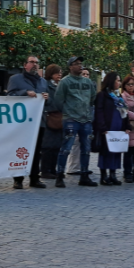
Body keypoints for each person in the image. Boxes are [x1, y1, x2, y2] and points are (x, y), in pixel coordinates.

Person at [6, 55, 49, 189]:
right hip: (22, 123)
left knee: (37, 151)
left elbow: (49, 103)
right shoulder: (15, 79)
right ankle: (18, 179)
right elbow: (10, 97)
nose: (35, 65)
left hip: (38, 121)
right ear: (25, 65)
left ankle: (35, 178)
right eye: (32, 62)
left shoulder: (43, 82)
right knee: (20, 149)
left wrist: (47, 98)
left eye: (37, 63)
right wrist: (25, 93)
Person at [55, 56, 97, 188]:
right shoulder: (65, 82)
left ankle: (84, 175)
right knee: (66, 148)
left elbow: (92, 98)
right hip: (71, 119)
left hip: (86, 119)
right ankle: (60, 175)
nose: (80, 66)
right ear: (70, 66)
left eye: (80, 63)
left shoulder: (88, 82)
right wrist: (68, 112)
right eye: (76, 64)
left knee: (86, 149)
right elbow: (58, 100)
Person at [92, 72, 129, 186]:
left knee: (116, 151)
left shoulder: (119, 96)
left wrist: (127, 126)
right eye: (117, 80)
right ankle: (104, 175)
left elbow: (125, 112)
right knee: (105, 151)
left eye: (119, 80)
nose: (119, 82)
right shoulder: (102, 95)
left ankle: (113, 174)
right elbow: (99, 111)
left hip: (118, 127)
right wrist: (102, 127)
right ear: (111, 81)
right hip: (107, 127)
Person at [65, 67, 92, 176]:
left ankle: (83, 167)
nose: (85, 76)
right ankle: (72, 167)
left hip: (86, 119)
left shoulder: (89, 87)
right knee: (74, 144)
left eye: (87, 74)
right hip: (75, 118)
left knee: (85, 144)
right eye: (84, 74)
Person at [40, 64, 63, 179]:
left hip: (59, 117)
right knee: (48, 146)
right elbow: (47, 101)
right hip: (49, 117)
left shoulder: (61, 85)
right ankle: (45, 170)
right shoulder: (46, 85)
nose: (59, 74)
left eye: (60, 72)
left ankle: (53, 169)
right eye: (56, 72)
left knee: (57, 146)